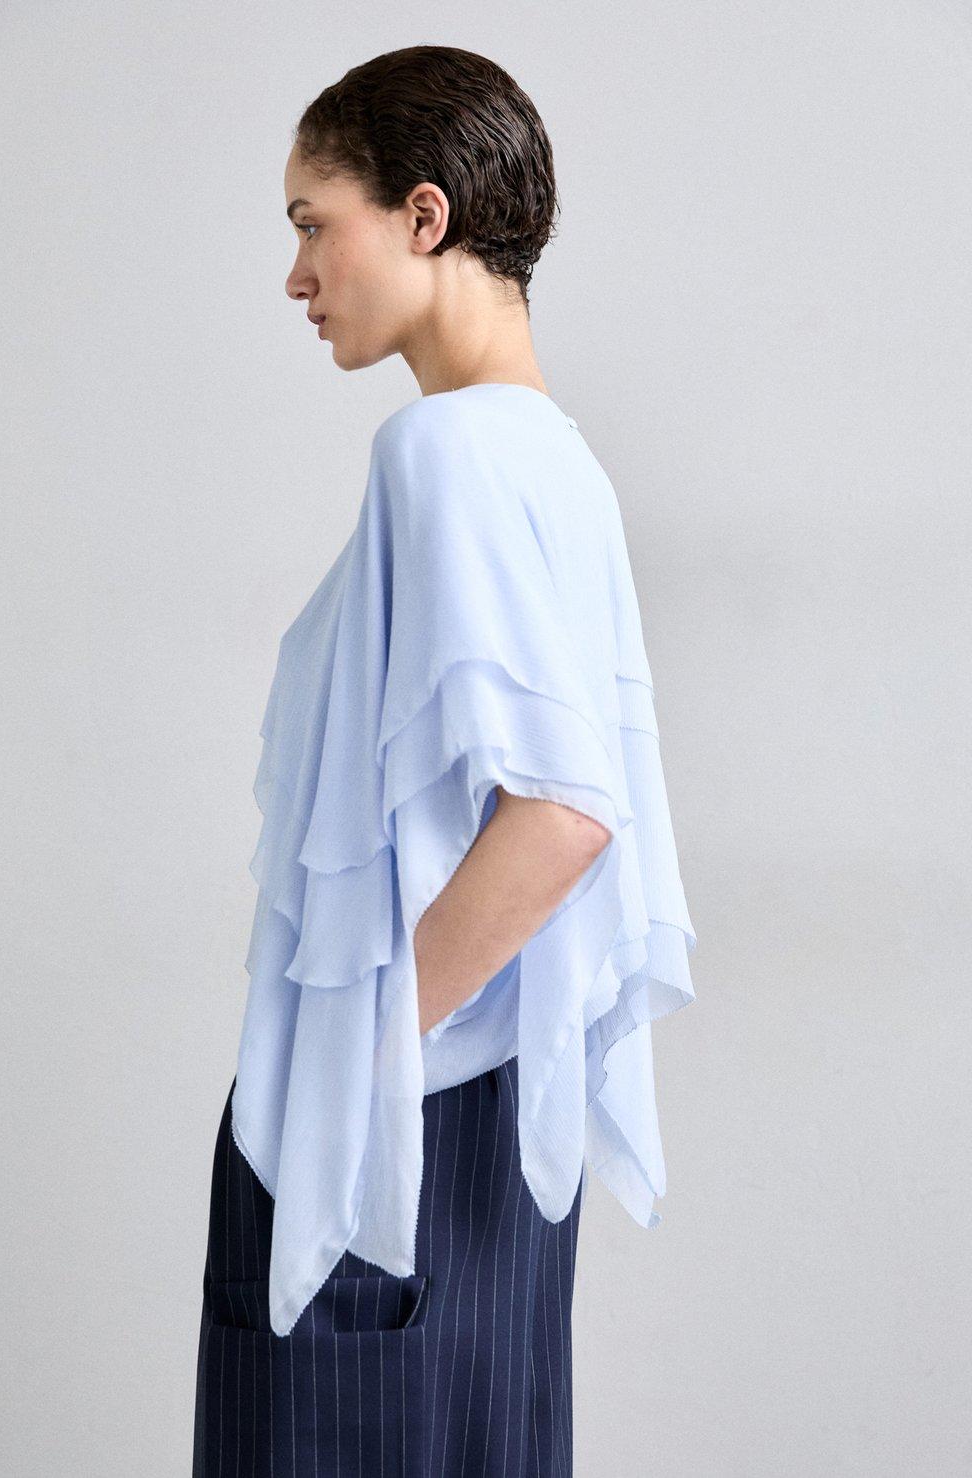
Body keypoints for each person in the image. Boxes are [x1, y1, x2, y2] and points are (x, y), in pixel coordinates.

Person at [192, 43, 697, 1477]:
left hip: (391, 1135)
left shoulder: (444, 453)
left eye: (313, 223)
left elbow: (564, 810)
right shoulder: (560, 463)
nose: (297, 276)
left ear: (424, 216)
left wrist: (359, 1044)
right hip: (496, 1142)